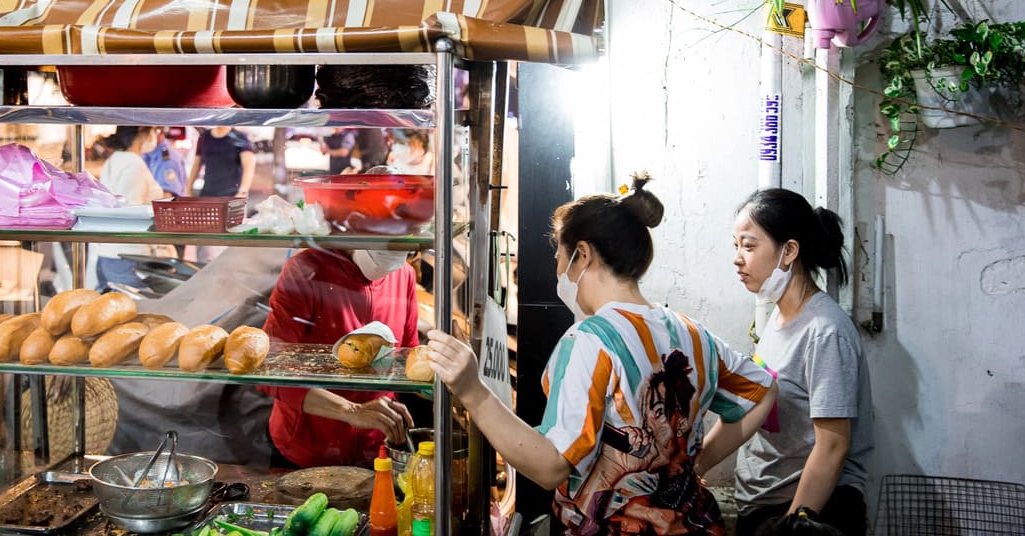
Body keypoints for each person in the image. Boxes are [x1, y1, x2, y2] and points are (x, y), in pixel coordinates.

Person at [427, 173, 777, 534]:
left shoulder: (590, 341)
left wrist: (472, 390)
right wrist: (693, 466)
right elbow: (761, 392)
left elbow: (550, 466)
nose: (559, 270)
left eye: (559, 256)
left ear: (583, 254)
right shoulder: (693, 333)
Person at [730, 188, 874, 536]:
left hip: (807, 513)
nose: (737, 258)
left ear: (789, 251)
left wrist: (794, 525)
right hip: (767, 506)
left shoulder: (825, 333)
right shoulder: (777, 323)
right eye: (735, 246)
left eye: (749, 246)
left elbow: (833, 446)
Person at [262, 246, 418, 468]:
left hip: (375, 450)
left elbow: (408, 355)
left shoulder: (404, 275)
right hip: (306, 448)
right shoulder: (306, 270)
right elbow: (270, 369)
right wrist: (351, 411)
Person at [88, 126, 175, 291]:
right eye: (154, 131)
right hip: (129, 257)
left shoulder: (115, 160)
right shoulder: (133, 165)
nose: (156, 136)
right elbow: (131, 210)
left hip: (110, 254)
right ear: (142, 133)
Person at [186, 126, 256, 198]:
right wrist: (188, 190)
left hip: (232, 194)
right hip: (208, 193)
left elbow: (249, 168)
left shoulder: (239, 137)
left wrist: (242, 192)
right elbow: (196, 165)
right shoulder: (205, 137)